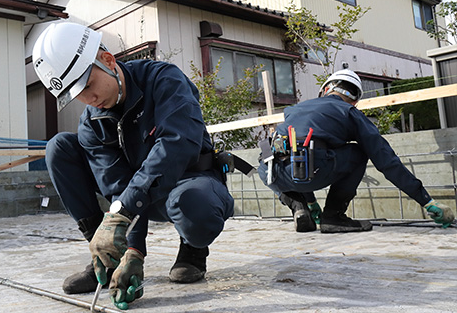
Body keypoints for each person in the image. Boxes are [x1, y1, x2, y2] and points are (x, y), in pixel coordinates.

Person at [33, 22, 234, 309]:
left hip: (187, 183)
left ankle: (193, 247)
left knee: (193, 204)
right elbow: (117, 185)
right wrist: (131, 251)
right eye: (77, 94)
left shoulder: (164, 80)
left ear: (107, 60)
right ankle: (105, 256)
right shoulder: (92, 121)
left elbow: (177, 145)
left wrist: (124, 212)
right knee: (59, 148)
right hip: (138, 198)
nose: (88, 99)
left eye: (88, 85)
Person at [257, 69, 454, 233]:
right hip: (313, 170)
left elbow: (298, 150)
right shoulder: (349, 112)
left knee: (287, 155)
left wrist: (310, 201)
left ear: (326, 89)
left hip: (270, 171)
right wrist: (426, 201)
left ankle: (299, 207)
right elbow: (386, 160)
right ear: (354, 100)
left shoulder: (295, 109)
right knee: (358, 152)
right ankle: (333, 216)